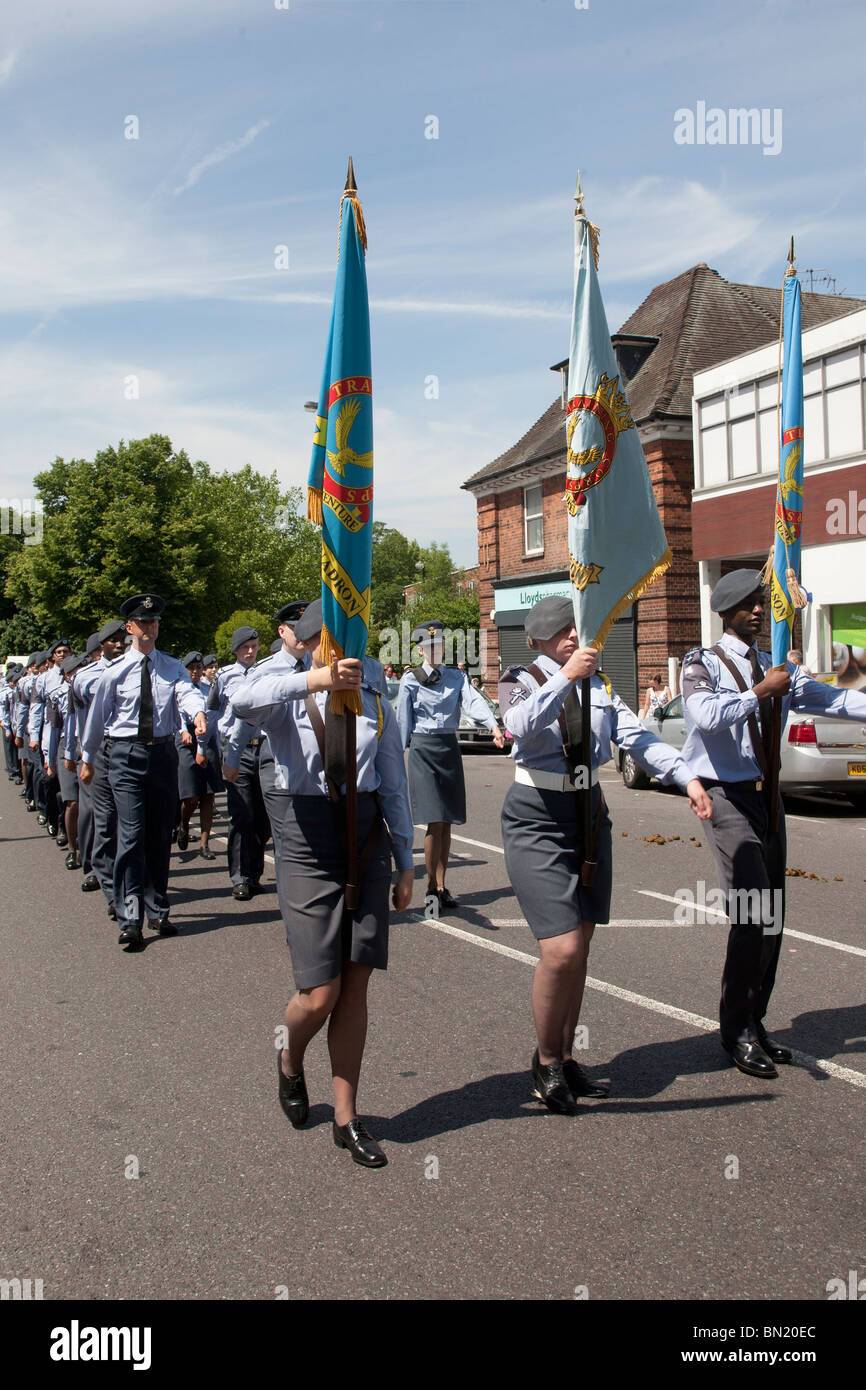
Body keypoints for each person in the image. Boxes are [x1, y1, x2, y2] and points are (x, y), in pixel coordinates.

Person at [500, 596, 712, 1113]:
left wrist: (687, 777)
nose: (573, 636)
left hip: (588, 813)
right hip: (537, 814)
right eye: (560, 630)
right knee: (562, 950)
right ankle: (545, 1061)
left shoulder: (598, 686)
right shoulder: (519, 679)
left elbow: (637, 738)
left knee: (583, 945)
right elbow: (521, 725)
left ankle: (568, 1057)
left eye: (576, 627)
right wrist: (565, 677)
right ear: (537, 640)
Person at [231, 599, 414, 1168]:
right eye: (329, 642)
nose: (343, 654)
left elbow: (390, 772)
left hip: (364, 836)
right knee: (319, 992)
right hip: (306, 835)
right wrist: (315, 678)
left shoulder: (376, 683)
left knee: (355, 984)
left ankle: (346, 1116)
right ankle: (289, 1058)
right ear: (309, 643)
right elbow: (238, 702)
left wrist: (406, 856)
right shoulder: (282, 682)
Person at [681, 569, 866, 1078]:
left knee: (773, 914)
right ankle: (734, 1029)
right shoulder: (703, 664)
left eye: (761, 601)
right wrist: (763, 690)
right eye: (747, 604)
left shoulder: (775, 665)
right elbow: (707, 716)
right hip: (724, 795)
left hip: (769, 796)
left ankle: (756, 1020)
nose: (758, 610)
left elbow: (838, 699)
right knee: (751, 909)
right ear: (725, 612)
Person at [80, 594, 207, 949]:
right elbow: (97, 719)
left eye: (154, 622)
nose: (150, 628)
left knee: (158, 834)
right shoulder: (115, 671)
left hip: (163, 754)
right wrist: (88, 758)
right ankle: (130, 917)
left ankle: (158, 909)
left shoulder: (171, 666)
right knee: (132, 836)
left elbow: (186, 693)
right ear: (130, 628)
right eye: (143, 622)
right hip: (125, 755)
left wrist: (197, 715)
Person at [396, 620, 505, 911]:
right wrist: (393, 757)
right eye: (430, 646)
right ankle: (430, 887)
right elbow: (402, 724)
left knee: (447, 821)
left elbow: (473, 703)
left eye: (440, 645)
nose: (436, 650)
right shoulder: (410, 680)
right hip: (423, 749)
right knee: (433, 819)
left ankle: (442, 885)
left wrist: (493, 725)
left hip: (448, 748)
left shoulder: (456, 678)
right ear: (420, 649)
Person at [209, 626, 271, 901]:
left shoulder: (267, 672)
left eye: (254, 646)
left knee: (263, 817)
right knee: (242, 814)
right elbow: (212, 711)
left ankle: (255, 873)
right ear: (235, 649)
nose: (250, 651)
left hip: (265, 749)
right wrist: (204, 746)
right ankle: (240, 877)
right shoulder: (224, 676)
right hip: (236, 750)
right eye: (245, 647)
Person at [73, 621, 126, 912]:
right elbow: (76, 720)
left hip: (125, 750)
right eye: (113, 640)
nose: (119, 644)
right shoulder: (84, 678)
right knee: (101, 818)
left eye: (122, 639)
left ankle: (122, 881)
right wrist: (80, 755)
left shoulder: (135, 671)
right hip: (98, 753)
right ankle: (106, 882)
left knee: (126, 821)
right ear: (100, 647)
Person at [175, 651, 222, 859]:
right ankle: (183, 825)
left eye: (198, 668)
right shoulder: (178, 688)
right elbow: (174, 715)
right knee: (191, 796)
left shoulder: (208, 689)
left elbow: (214, 716)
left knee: (208, 795)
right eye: (191, 668)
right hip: (187, 740)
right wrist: (183, 732)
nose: (195, 671)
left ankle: (204, 843)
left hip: (208, 740)